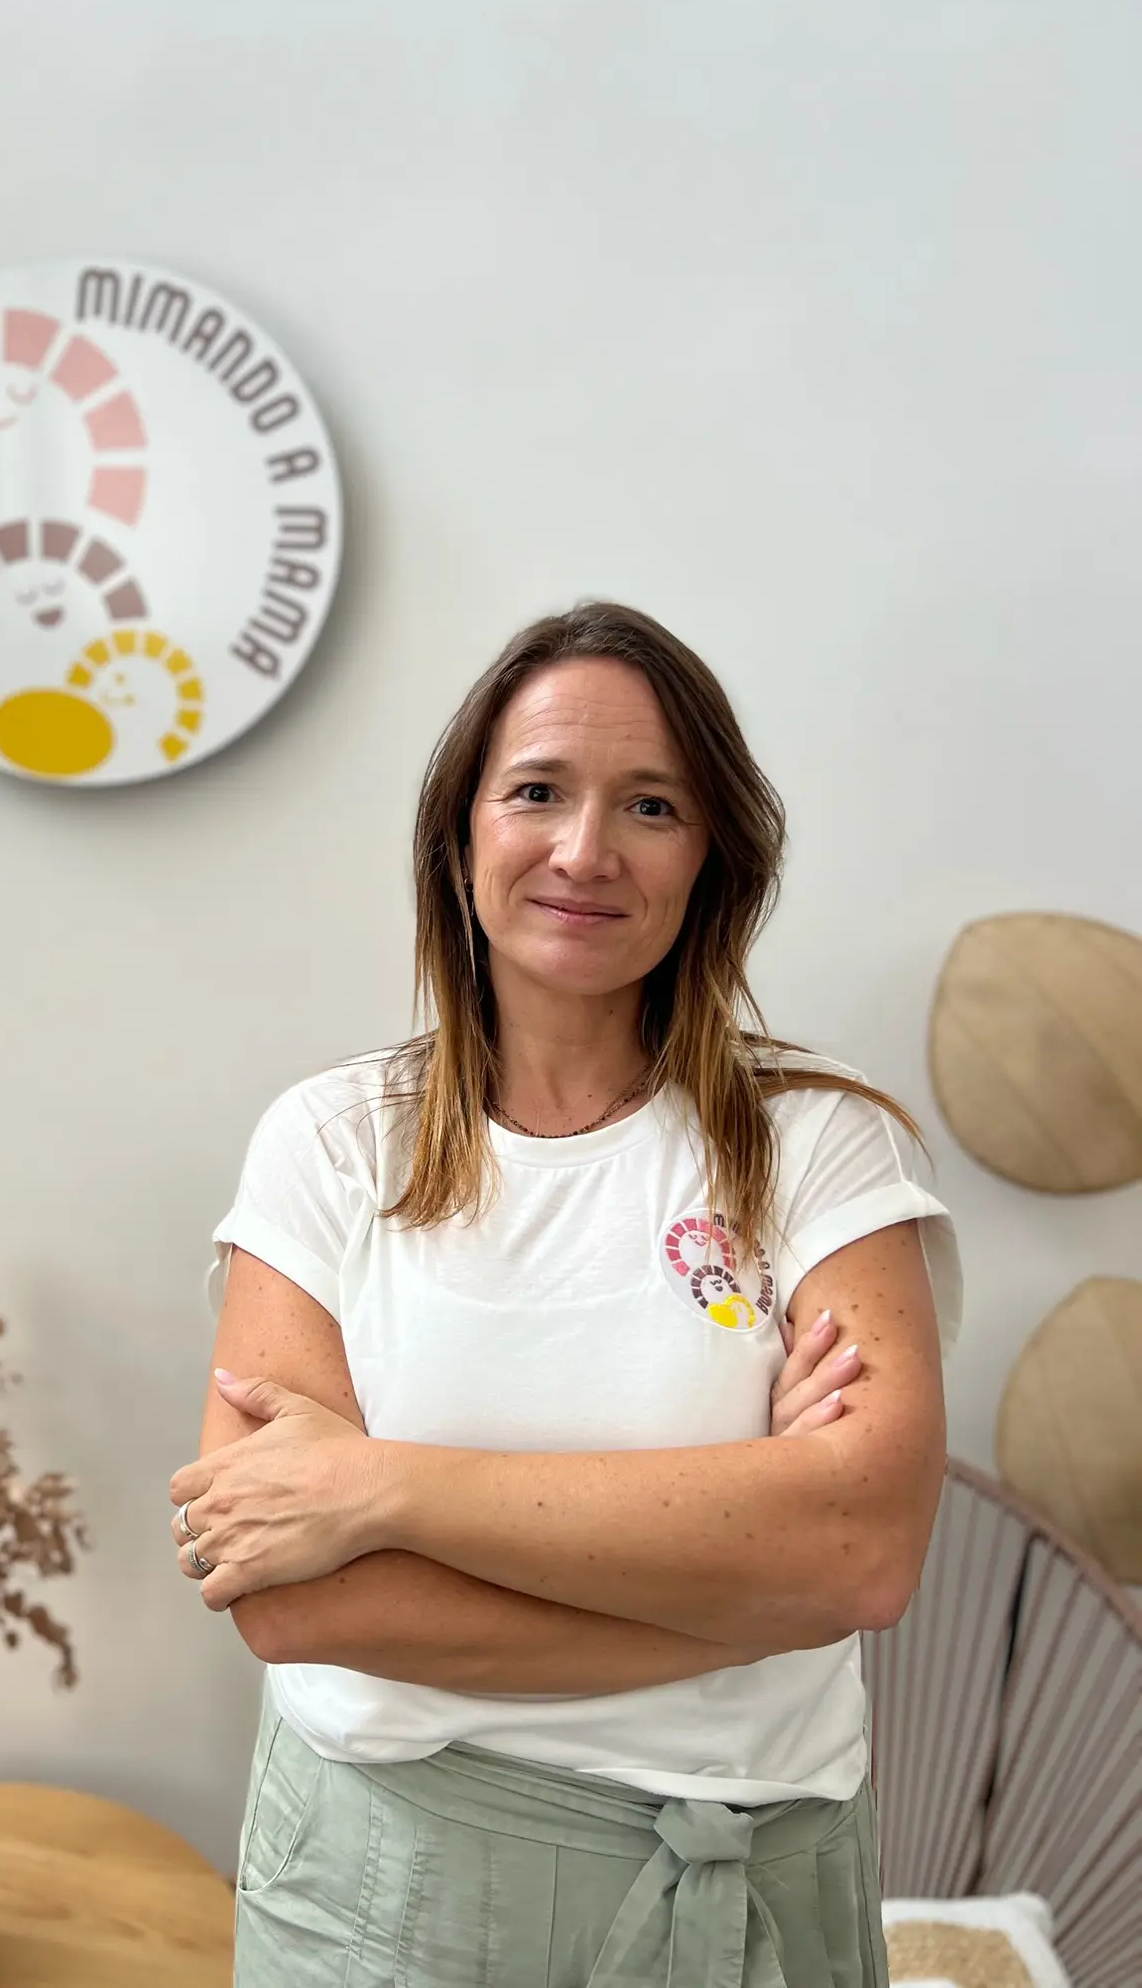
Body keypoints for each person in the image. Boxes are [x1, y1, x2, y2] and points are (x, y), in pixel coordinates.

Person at [170, 602, 960, 1988]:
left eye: (651, 805)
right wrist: (747, 1595)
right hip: (380, 1886)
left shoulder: (820, 1145)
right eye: (537, 791)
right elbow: (291, 1605)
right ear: (460, 836)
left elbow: (860, 1554)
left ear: (712, 854)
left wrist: (380, 1489)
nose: (586, 852)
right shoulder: (333, 1143)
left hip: (749, 1880)